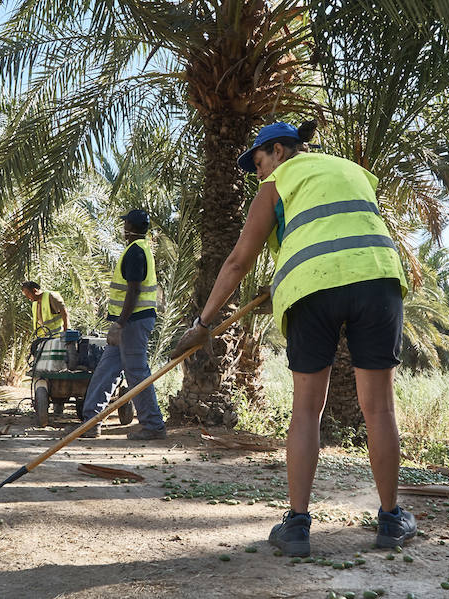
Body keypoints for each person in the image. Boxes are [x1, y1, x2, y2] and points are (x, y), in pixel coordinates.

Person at [170, 121, 416, 556]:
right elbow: (338, 231)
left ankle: (298, 526)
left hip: (310, 289)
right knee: (378, 406)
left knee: (306, 408)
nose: (258, 173)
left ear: (279, 151)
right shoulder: (352, 170)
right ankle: (392, 521)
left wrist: (204, 324)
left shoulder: (276, 183)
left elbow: (238, 260)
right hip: (376, 276)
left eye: (259, 162)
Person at [77, 209, 166, 440]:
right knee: (106, 369)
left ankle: (153, 426)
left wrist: (120, 324)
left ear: (129, 227)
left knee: (136, 371)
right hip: (130, 321)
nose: (123, 227)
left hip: (133, 322)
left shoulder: (135, 252)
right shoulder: (140, 249)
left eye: (124, 223)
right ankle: (90, 422)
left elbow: (134, 290)